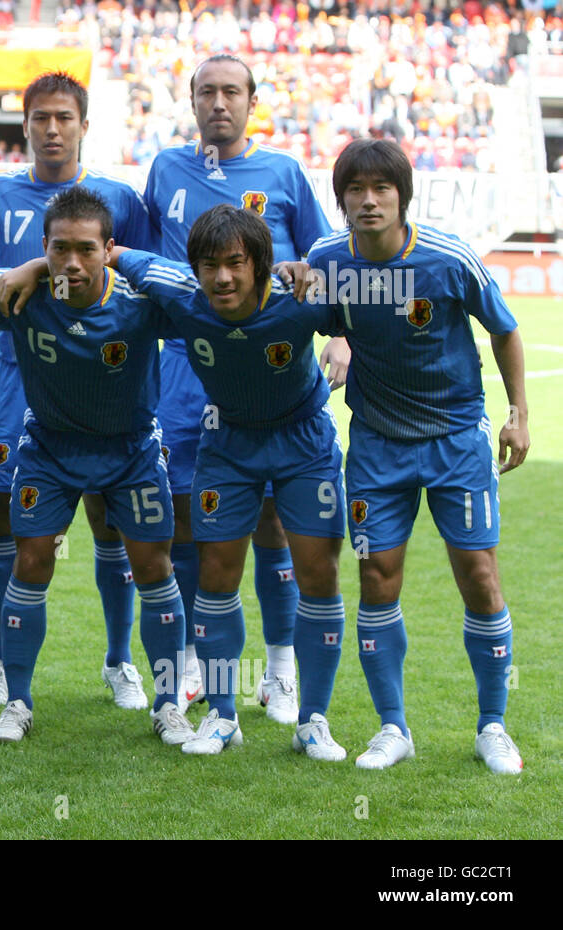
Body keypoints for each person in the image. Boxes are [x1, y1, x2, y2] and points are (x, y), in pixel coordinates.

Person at [307, 138, 528, 774]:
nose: (368, 200)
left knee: (479, 577)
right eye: (355, 190)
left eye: (381, 188)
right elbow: (317, 318)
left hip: (457, 440)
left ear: (404, 195)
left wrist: (517, 414)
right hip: (376, 445)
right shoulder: (327, 259)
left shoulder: (447, 257)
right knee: (377, 578)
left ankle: (493, 725)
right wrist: (341, 338)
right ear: (342, 199)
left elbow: (505, 328)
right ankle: (392, 727)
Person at [108, 205, 348, 758]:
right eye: (210, 264)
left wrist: (323, 294)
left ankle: (313, 720)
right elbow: (112, 252)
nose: (222, 277)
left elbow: (361, 298)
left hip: (304, 441)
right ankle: (222, 715)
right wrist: (33, 269)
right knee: (216, 573)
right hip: (229, 443)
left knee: (319, 571)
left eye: (236, 263)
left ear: (260, 264)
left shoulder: (298, 300)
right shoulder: (183, 294)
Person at [141, 53, 340, 722]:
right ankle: (198, 663)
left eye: (231, 92)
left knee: (275, 522)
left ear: (253, 101)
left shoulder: (282, 173)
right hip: (182, 364)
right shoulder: (166, 168)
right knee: (187, 521)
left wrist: (338, 335)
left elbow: (322, 262)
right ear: (191, 101)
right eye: (206, 92)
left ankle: (280, 668)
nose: (218, 103)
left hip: (267, 365)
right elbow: (143, 262)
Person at [0, 70, 156, 713]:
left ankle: (120, 659)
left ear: (83, 127)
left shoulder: (117, 197)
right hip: (22, 373)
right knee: (1, 512)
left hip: (103, 375)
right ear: (25, 125)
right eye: (39, 117)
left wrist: (44, 264)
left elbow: (140, 276)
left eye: (63, 118)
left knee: (109, 517)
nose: (51, 128)